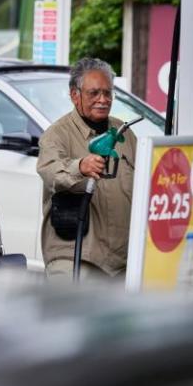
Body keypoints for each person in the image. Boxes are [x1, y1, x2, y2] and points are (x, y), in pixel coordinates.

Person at [37, 57, 137, 281]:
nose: (103, 100)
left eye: (108, 93)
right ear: (75, 95)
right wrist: (80, 166)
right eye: (94, 93)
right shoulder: (57, 135)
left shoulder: (125, 134)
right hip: (76, 259)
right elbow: (51, 172)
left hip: (123, 262)